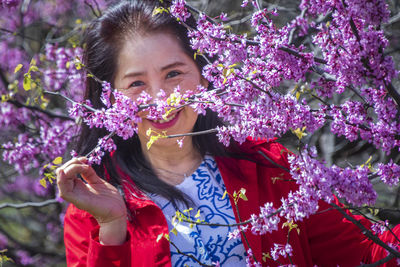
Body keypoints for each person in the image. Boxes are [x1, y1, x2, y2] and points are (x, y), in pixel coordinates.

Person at [56, 1, 400, 266]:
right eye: (136, 84)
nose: (160, 99)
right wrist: (113, 227)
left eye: (174, 73)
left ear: (205, 76)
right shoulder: (93, 207)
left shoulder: (269, 165)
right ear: (110, 98)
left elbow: (371, 251)